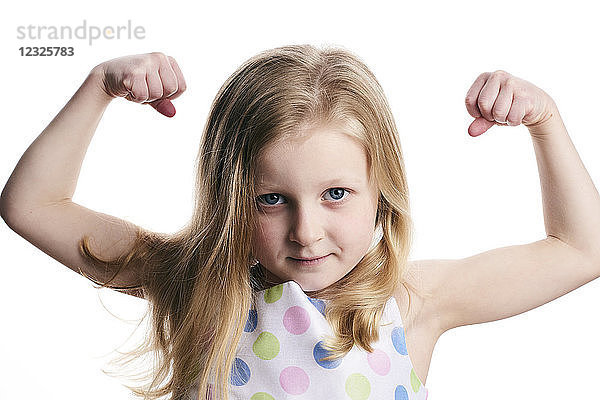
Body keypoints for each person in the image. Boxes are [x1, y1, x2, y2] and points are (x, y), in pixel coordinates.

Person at [2, 44, 599, 400]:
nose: (306, 231)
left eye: (336, 193)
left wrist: (545, 121)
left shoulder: (410, 303)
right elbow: (32, 206)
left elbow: (582, 249)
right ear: (229, 201)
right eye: (271, 200)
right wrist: (98, 88)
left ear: (381, 194)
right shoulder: (197, 283)